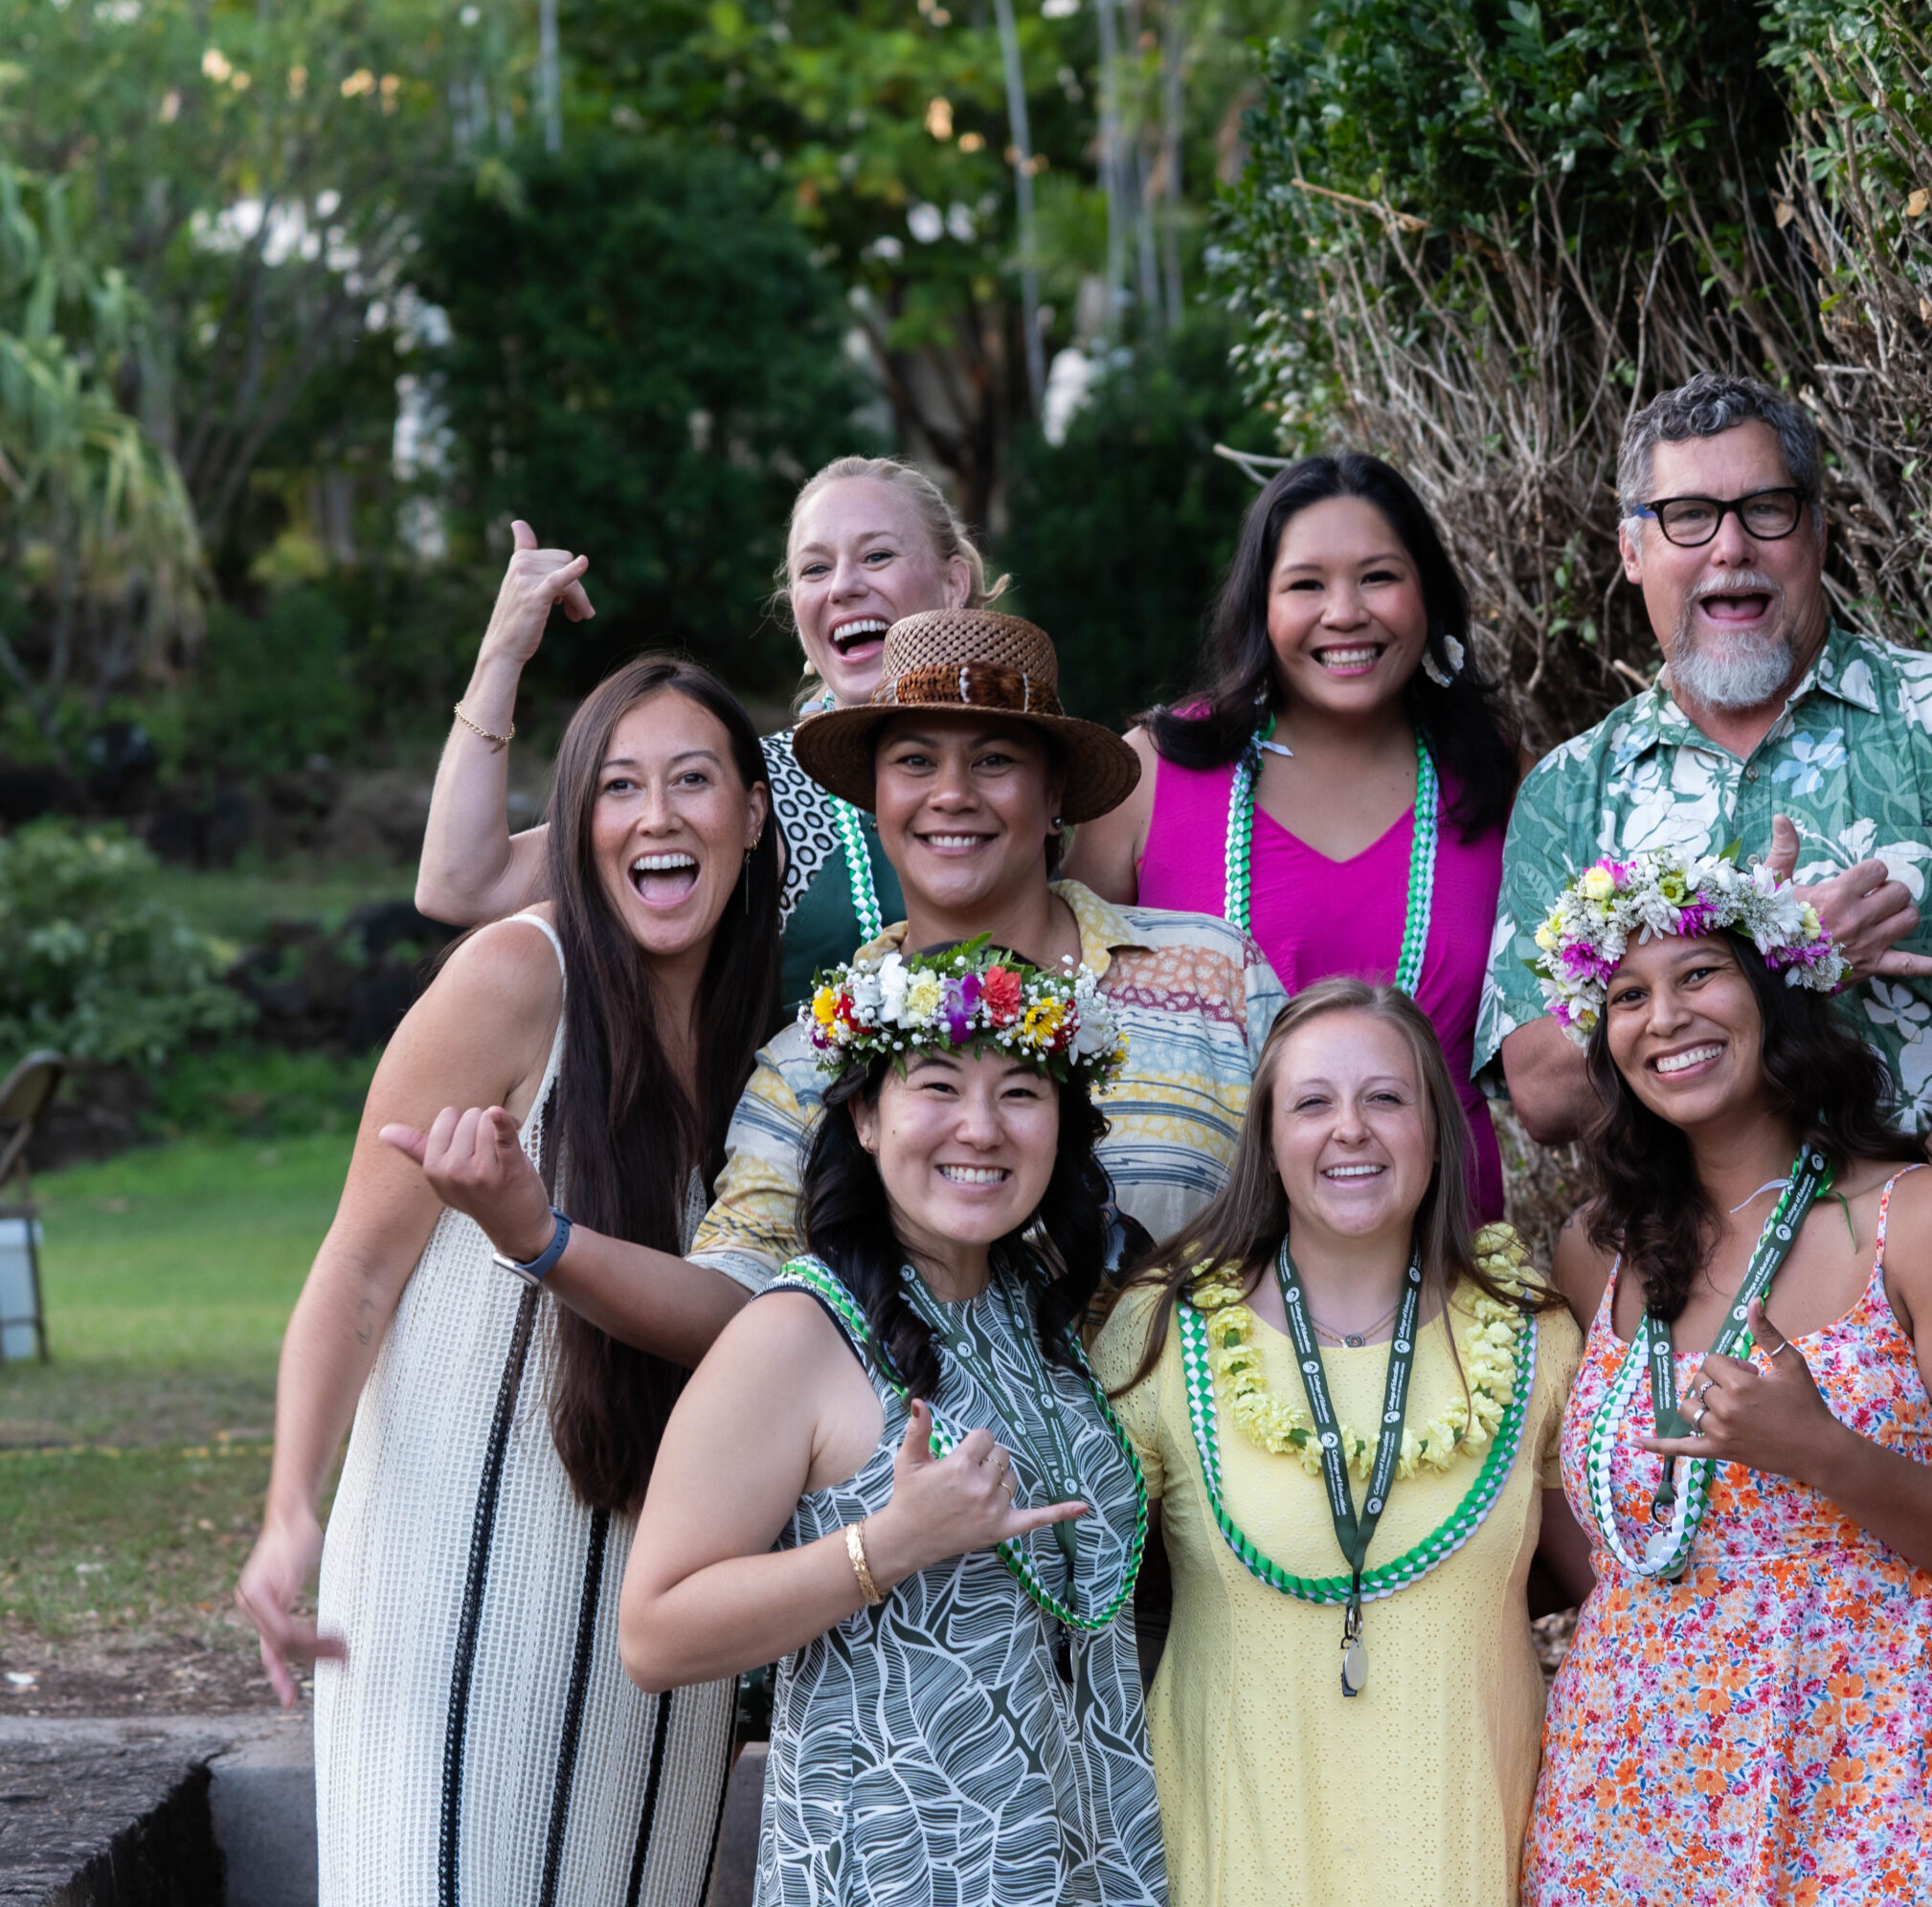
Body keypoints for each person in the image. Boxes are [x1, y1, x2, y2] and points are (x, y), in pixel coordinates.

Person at [1477, 371, 1932, 1826]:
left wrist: (1893, 1248)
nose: (1730, 551)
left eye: (1764, 509)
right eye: (1687, 515)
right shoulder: (1579, 792)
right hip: (1682, 1385)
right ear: (1633, 548)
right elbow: (1533, 1073)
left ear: (1819, 527)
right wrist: (1780, 952)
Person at [236, 656, 783, 1905]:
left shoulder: (770, 1036)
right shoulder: (514, 979)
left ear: (752, 816)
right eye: (620, 786)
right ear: (577, 826)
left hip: (661, 1608)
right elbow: (360, 1270)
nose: (658, 817)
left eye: (694, 781)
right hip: (456, 1585)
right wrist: (288, 1508)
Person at [1517, 849, 1932, 1903]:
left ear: (1776, 989)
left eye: (1698, 974)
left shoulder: (1924, 1220)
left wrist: (1822, 1453)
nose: (1664, 1015)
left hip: (1895, 1764)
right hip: (1635, 1782)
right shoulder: (1597, 1252)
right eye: (1626, 993)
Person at [618, 942, 1166, 1907]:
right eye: (940, 1085)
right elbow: (655, 1633)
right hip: (900, 1868)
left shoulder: (1035, 1303)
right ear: (866, 1115)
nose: (980, 1127)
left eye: (1022, 1092)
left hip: (1083, 1864)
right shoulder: (795, 1332)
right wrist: (889, 1544)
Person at [1090, 977, 1584, 1907]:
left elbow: (1620, 1589)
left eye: (1385, 1097)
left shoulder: (1535, 1333)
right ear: (1268, 1140)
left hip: (1464, 1848)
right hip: (1233, 1851)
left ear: (1435, 1130)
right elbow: (1072, 1588)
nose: (1348, 1127)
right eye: (1312, 1101)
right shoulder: (1162, 1331)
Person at [688, 607, 1285, 1300]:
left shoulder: (1216, 974)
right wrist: (548, 1242)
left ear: (1054, 790)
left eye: (993, 760)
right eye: (915, 761)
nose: (951, 794)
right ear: (875, 798)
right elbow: (735, 1291)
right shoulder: (815, 1053)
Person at [1067, 453, 1519, 1224]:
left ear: (1429, 596)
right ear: (1259, 607)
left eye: (1378, 576)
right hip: (1202, 1256)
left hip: (1446, 1256)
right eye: (1306, 584)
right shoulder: (1154, 772)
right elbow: (1057, 1017)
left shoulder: (1496, 781)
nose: (1344, 612)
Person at [416, 456, 999, 992]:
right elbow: (463, 885)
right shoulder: (756, 787)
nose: (843, 586)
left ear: (953, 584)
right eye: (815, 569)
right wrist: (501, 655)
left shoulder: (1031, 765)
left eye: (877, 556)